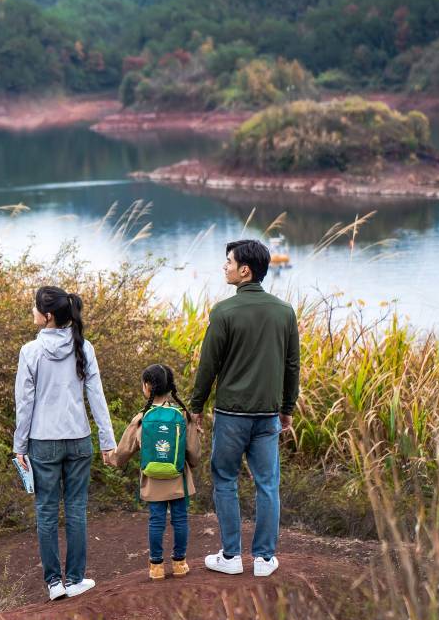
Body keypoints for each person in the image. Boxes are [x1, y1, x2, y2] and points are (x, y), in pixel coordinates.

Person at [189, 239, 300, 578]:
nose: (225, 267)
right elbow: (292, 365)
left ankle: (231, 556)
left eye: (229, 262)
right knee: (268, 483)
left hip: (231, 415)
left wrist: (196, 405)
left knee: (224, 478)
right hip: (268, 414)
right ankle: (264, 560)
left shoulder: (224, 312)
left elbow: (209, 364)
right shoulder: (284, 312)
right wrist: (287, 408)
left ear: (245, 271)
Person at [14, 286, 116, 601]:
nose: (32, 312)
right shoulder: (85, 347)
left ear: (47, 316)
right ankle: (74, 580)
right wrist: (107, 440)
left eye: (34, 308)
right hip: (79, 440)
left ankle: (54, 585)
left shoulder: (30, 351)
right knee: (76, 509)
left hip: (42, 442)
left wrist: (20, 446)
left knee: (45, 510)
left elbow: (24, 403)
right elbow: (96, 397)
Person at [113, 364, 201, 579]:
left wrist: (113, 460)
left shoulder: (142, 417)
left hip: (153, 480)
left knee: (156, 521)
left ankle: (156, 567)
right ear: (170, 387)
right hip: (178, 478)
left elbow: (124, 451)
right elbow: (195, 455)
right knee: (180, 519)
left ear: (147, 386)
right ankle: (179, 564)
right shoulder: (182, 415)